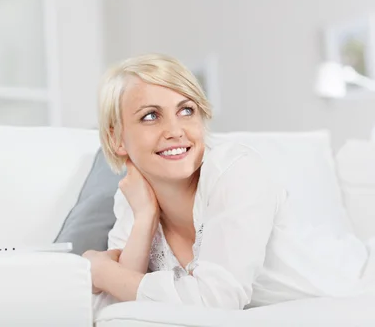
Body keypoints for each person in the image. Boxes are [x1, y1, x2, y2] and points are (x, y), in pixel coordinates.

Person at [83, 53, 375, 312]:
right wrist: (144, 219)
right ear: (116, 138)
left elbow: (216, 301)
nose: (175, 130)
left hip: (360, 282)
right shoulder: (133, 196)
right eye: (150, 116)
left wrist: (101, 272)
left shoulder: (237, 172)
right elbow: (116, 306)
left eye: (186, 110)